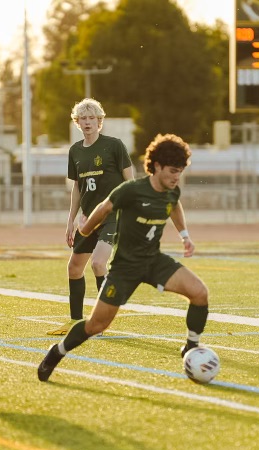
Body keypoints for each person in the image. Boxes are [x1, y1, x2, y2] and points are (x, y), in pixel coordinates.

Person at [37, 133, 209, 382]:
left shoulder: (172, 191)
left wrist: (184, 235)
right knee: (96, 326)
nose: (176, 177)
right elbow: (104, 207)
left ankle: (191, 346)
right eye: (173, 170)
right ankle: (57, 352)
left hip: (154, 261)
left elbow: (175, 205)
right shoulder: (132, 190)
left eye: (180, 171)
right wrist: (84, 230)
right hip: (125, 268)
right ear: (157, 166)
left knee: (200, 293)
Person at [47, 98, 135, 336]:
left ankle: (101, 321)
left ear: (100, 121)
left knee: (98, 263)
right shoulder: (75, 151)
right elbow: (77, 188)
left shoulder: (114, 146)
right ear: (77, 122)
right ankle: (76, 321)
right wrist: (71, 220)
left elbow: (131, 180)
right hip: (87, 219)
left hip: (111, 215)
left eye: (91, 118)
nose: (87, 122)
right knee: (74, 268)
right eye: (82, 119)